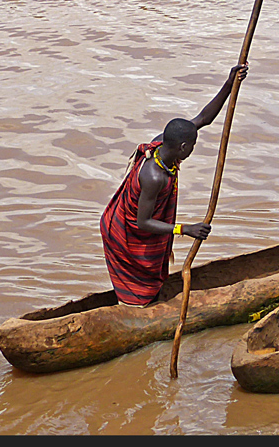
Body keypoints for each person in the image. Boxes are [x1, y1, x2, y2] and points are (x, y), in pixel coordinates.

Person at [100, 63, 249, 307]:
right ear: (183, 147)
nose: (193, 149)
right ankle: (135, 307)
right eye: (193, 145)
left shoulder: (164, 144)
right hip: (127, 232)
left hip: (140, 223)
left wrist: (230, 84)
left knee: (151, 283)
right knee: (139, 292)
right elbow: (143, 222)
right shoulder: (155, 176)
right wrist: (184, 229)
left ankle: (146, 301)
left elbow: (203, 118)